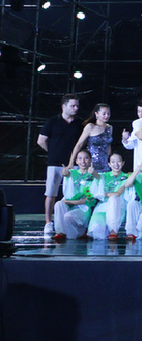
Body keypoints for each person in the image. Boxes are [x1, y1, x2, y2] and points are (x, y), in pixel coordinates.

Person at [38, 94, 81, 238]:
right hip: (55, 163)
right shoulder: (52, 122)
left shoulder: (79, 123)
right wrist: (52, 152)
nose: (75, 108)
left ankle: (70, 222)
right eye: (72, 105)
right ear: (64, 106)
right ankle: (48, 223)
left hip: (73, 165)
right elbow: (41, 140)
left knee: (74, 194)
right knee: (50, 193)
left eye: (77, 106)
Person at [51, 150, 96, 241]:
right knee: (59, 204)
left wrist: (70, 202)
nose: (83, 161)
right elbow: (66, 173)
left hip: (83, 208)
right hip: (70, 205)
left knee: (69, 216)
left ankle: (81, 232)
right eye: (80, 158)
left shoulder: (93, 176)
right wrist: (64, 172)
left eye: (86, 158)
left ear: (90, 160)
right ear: (76, 161)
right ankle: (61, 232)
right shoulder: (72, 173)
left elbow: (87, 200)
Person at [86, 152, 130, 240]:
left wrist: (103, 194)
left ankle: (113, 231)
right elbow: (97, 176)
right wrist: (92, 172)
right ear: (109, 164)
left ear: (123, 163)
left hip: (118, 206)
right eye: (113, 162)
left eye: (118, 161)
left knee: (113, 198)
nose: (116, 164)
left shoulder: (126, 177)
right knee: (97, 231)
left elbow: (118, 194)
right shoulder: (105, 176)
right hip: (103, 207)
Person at [71, 103, 113, 172]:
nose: (106, 116)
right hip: (91, 163)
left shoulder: (109, 127)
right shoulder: (90, 127)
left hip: (105, 164)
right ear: (96, 114)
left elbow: (108, 146)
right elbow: (79, 144)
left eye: (108, 114)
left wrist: (110, 161)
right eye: (104, 114)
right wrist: (71, 161)